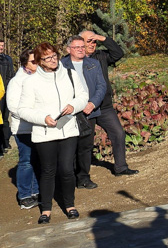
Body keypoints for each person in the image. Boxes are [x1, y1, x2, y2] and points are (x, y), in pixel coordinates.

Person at [18, 43, 88, 224]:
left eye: (54, 56)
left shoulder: (70, 75)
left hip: (68, 129)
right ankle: (46, 209)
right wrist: (43, 118)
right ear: (40, 62)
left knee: (66, 169)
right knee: (48, 171)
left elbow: (82, 96)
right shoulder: (30, 82)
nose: (53, 60)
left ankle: (70, 205)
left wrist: (74, 106)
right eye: (48, 58)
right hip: (45, 132)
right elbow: (23, 109)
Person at [79, 29, 138, 176]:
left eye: (94, 41)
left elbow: (118, 53)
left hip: (105, 106)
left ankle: (121, 168)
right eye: (89, 41)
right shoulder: (75, 60)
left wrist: (103, 38)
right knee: (85, 143)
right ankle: (81, 175)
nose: (92, 44)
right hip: (86, 108)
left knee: (118, 133)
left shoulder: (101, 56)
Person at [61, 35, 107, 189]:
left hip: (89, 111)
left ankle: (84, 178)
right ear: (69, 49)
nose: (81, 49)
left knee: (85, 146)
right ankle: (68, 178)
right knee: (69, 146)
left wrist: (93, 103)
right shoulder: (61, 65)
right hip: (69, 111)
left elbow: (102, 85)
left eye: (82, 46)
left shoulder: (93, 64)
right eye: (77, 47)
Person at [7, 49, 39, 209]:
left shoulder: (38, 77)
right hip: (23, 128)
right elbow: (12, 106)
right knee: (26, 161)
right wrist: (31, 115)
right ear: (25, 63)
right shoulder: (17, 81)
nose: (37, 64)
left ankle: (35, 191)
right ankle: (25, 195)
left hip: (38, 127)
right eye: (34, 61)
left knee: (36, 160)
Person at [0, 40, 14, 155]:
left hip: (6, 93)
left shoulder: (7, 59)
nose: (1, 48)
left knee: (5, 118)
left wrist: (7, 89)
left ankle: (5, 141)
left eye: (2, 46)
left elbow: (11, 75)